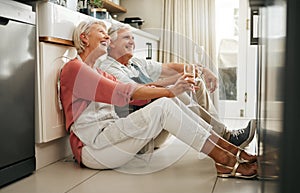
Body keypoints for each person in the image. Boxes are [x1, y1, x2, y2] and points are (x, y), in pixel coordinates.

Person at [58, 20, 257, 179]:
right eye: (101, 31)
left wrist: (171, 90)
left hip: (109, 140)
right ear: (84, 38)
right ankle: (226, 159)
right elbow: (122, 93)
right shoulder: (74, 68)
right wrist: (169, 90)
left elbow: (137, 93)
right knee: (164, 103)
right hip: (91, 149)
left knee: (167, 102)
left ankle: (229, 151)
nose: (106, 37)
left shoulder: (99, 71)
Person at [97, 22, 256, 149]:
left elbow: (170, 67)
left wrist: (201, 70)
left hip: (158, 126)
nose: (132, 42)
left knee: (195, 82)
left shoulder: (135, 63)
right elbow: (137, 92)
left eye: (132, 37)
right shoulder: (109, 69)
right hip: (140, 138)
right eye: (126, 38)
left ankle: (222, 136)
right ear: (111, 43)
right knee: (173, 93)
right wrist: (176, 82)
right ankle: (225, 138)